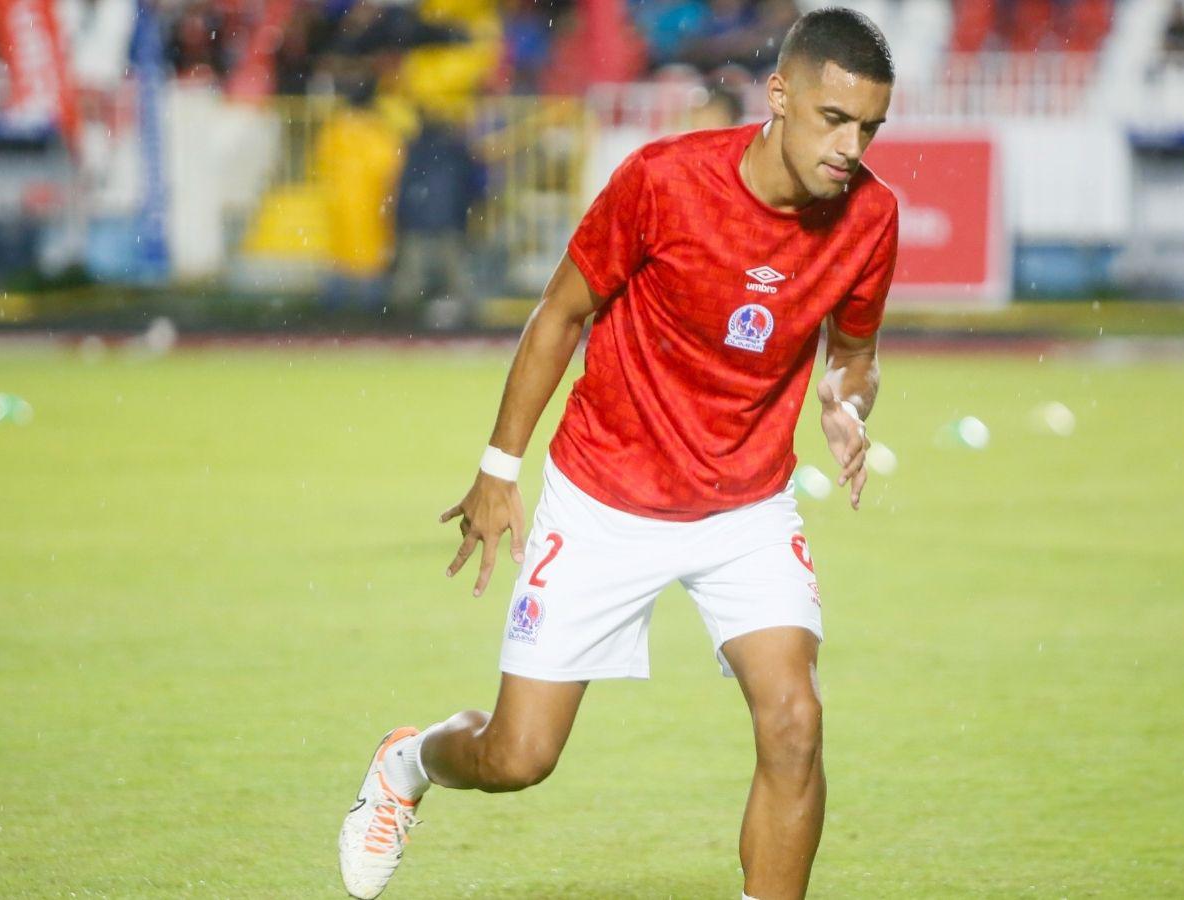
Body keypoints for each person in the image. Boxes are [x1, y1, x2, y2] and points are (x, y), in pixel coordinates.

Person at [339, 8, 899, 899]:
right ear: (781, 95)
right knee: (519, 756)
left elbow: (856, 355)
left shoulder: (871, 216)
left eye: (869, 127)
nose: (850, 146)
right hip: (604, 497)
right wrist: (497, 469)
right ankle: (409, 764)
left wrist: (847, 403)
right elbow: (560, 313)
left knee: (794, 720)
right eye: (835, 120)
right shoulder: (663, 181)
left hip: (746, 508)